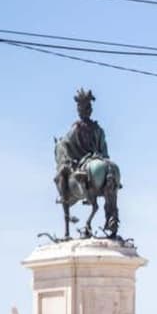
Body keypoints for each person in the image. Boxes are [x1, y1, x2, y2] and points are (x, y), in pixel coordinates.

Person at [54, 88, 122, 238]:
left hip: (86, 162)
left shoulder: (75, 129)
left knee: (61, 175)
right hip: (102, 159)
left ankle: (64, 197)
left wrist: (67, 162)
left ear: (80, 110)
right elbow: (105, 151)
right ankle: (112, 219)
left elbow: (64, 146)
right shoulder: (99, 130)